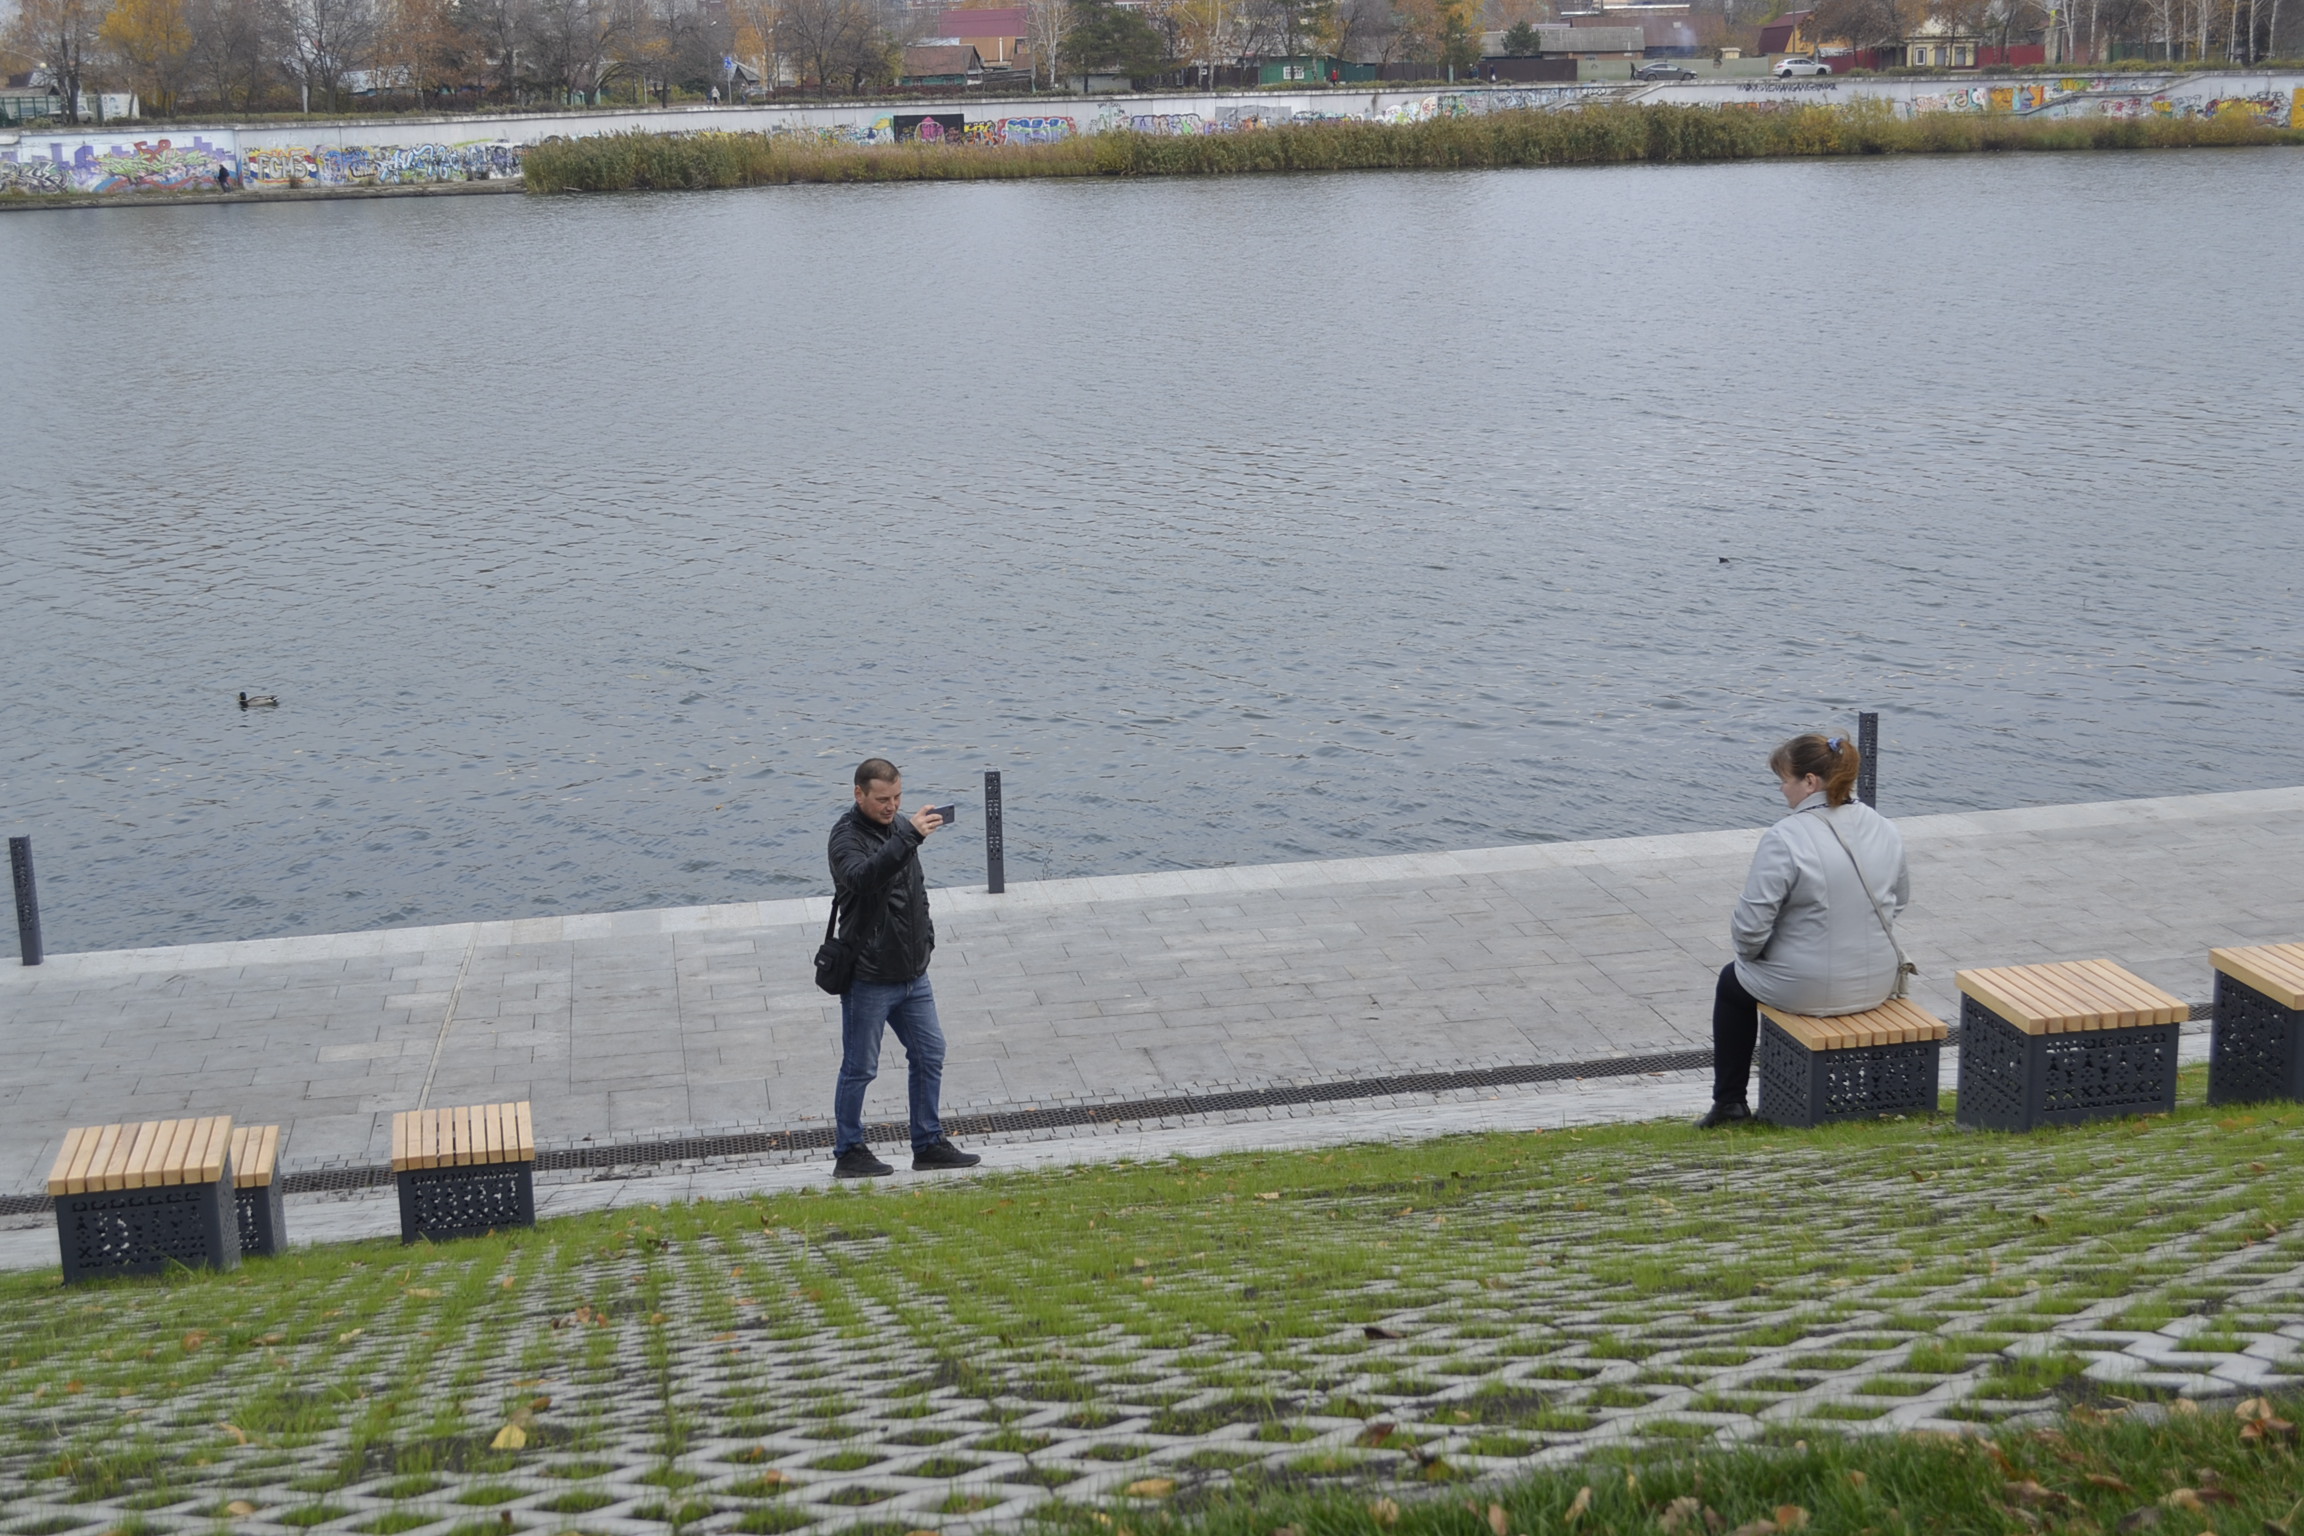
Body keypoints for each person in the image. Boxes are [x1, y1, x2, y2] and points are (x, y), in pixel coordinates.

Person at [1700, 732, 1910, 1128]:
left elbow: (1749, 928)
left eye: (1784, 779)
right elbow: (1899, 900)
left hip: (1806, 987)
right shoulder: (1885, 826)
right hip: (1878, 981)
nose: (1781, 789)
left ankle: (1729, 1105)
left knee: (1732, 982)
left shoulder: (1785, 837)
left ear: (1810, 782)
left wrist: (1758, 956)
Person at [826, 758, 981, 1177]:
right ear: (858, 794)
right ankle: (849, 1151)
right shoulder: (845, 838)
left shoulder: (900, 830)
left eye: (897, 798)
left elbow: (915, 891)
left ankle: (928, 1144)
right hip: (869, 977)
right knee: (860, 1068)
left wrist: (925, 939)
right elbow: (862, 878)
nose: (892, 806)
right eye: (882, 800)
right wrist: (909, 835)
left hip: (914, 973)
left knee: (931, 1053)